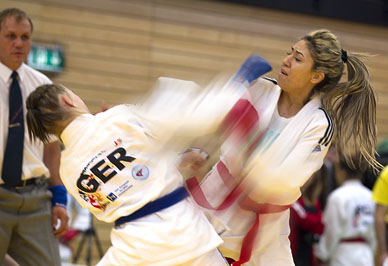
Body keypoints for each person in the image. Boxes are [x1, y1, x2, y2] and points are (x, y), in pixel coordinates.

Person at [183, 29, 380, 265]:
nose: (286, 60)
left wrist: (246, 142)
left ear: (315, 76)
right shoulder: (261, 88)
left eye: (297, 59)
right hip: (212, 207)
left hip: (263, 234)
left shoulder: (318, 124)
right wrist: (233, 87)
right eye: (290, 53)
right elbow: (209, 116)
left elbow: (282, 180)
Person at [25, 79, 259, 265]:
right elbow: (184, 115)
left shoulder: (66, 169)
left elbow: (121, 188)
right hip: (184, 234)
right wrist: (235, 87)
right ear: (68, 100)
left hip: (136, 251)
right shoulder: (118, 117)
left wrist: (178, 160)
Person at [0, 8, 68, 266]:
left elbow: (51, 148)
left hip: (35, 199)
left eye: (25, 37)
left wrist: (59, 198)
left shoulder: (42, 86)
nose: (18, 43)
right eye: (10, 36)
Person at [314, 158, 376, 266]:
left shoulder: (338, 197)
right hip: (365, 254)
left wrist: (321, 254)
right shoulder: (371, 196)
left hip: (343, 255)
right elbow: (375, 232)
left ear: (341, 170)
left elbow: (331, 230)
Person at [289, 165, 325, 266]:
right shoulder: (292, 198)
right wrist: (315, 221)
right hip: (294, 248)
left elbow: (320, 227)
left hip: (308, 250)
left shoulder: (313, 199)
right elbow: (305, 220)